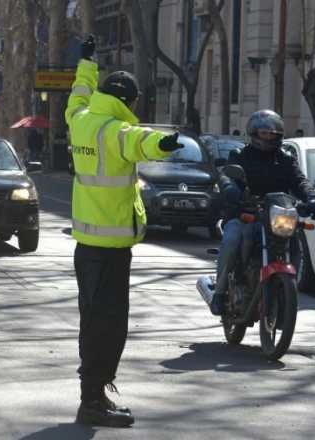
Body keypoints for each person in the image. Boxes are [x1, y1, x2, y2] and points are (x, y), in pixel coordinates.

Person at [66, 35, 182, 428]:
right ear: (128, 101)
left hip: (87, 247)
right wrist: (166, 143)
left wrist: (86, 63)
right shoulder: (116, 130)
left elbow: (78, 95)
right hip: (111, 249)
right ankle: (92, 401)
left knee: (93, 322)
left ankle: (94, 395)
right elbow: (143, 141)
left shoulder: (80, 120)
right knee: (108, 327)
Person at [211, 110, 315, 315]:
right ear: (254, 133)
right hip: (245, 213)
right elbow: (227, 175)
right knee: (233, 238)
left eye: (273, 134)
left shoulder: (285, 159)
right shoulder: (240, 155)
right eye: (264, 133)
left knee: (294, 239)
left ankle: (287, 291)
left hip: (275, 215)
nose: (269, 137)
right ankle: (219, 291)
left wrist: (312, 199)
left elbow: (300, 181)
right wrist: (230, 188)